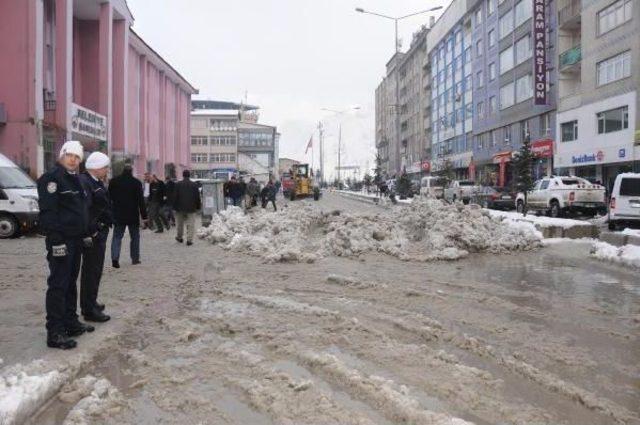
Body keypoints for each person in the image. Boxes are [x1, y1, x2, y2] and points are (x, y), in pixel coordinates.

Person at [37, 141, 94, 349]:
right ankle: (55, 332)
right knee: (58, 285)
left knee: (71, 282)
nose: (73, 159)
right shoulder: (51, 179)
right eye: (69, 155)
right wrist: (56, 242)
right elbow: (49, 213)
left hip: (76, 239)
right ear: (62, 155)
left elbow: (80, 211)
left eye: (77, 157)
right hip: (61, 240)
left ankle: (70, 322)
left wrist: (86, 233)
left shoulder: (76, 180)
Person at [79, 152, 112, 323]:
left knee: (95, 271)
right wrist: (93, 232)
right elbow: (85, 211)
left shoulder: (95, 181)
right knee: (91, 272)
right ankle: (89, 310)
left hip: (100, 231)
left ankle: (91, 302)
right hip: (94, 234)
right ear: (97, 167)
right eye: (105, 167)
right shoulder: (85, 182)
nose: (107, 170)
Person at [109, 163, 147, 268]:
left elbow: (109, 198)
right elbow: (141, 201)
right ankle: (135, 259)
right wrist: (144, 216)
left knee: (117, 237)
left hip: (118, 214)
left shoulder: (114, 181)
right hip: (132, 215)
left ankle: (115, 259)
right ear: (131, 171)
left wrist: (110, 213)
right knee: (135, 237)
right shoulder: (136, 183)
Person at [173, 169, 201, 246]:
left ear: (183, 175)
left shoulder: (178, 184)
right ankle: (189, 240)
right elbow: (197, 197)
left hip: (180, 207)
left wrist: (174, 207)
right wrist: (198, 206)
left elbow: (175, 196)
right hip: (191, 207)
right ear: (189, 175)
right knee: (191, 224)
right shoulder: (194, 185)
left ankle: (179, 237)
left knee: (180, 224)